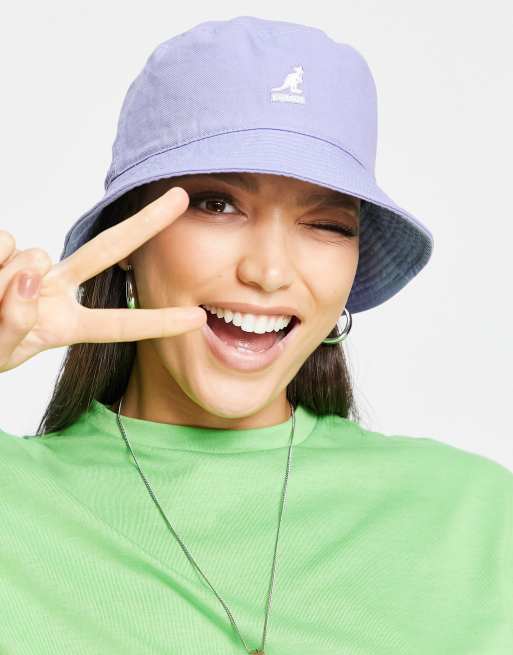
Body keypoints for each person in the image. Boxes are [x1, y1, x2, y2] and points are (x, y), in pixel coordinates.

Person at [0, 15, 511, 655]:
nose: (268, 273)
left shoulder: (474, 517)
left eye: (326, 224)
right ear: (126, 239)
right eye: (217, 204)